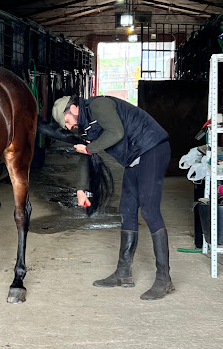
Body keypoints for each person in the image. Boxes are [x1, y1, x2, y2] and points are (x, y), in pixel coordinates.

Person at [51, 95, 174, 300]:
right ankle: (123, 273)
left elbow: (116, 132)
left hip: (152, 148)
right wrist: (81, 189)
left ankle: (164, 279)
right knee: (126, 210)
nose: (68, 125)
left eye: (66, 120)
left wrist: (90, 148)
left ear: (73, 108)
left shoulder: (99, 105)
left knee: (150, 211)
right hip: (135, 157)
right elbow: (86, 155)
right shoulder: (85, 126)